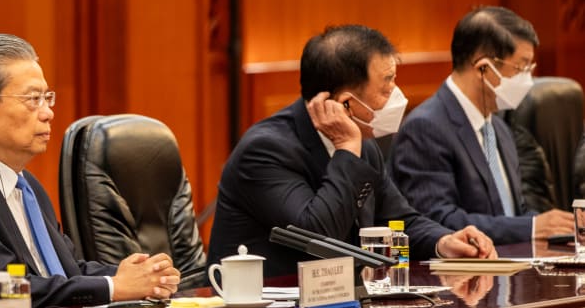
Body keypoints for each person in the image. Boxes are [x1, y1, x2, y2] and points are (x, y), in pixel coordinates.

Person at [0, 33, 181, 308]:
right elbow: (7, 289)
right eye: (33, 99)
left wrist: (139, 277)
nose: (48, 113)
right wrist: (114, 287)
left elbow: (64, 271)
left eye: (47, 98)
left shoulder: (26, 186)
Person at [207, 24, 495, 278]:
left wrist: (442, 242)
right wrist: (346, 149)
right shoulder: (265, 150)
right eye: (386, 87)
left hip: (338, 306)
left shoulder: (362, 144)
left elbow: (397, 220)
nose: (397, 96)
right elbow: (319, 238)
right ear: (346, 104)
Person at [389, 6, 574, 244]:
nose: (528, 79)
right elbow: (437, 220)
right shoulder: (425, 128)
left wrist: (559, 228)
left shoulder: (499, 127)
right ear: (483, 68)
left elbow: (511, 213)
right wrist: (531, 227)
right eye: (521, 68)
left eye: (530, 69)